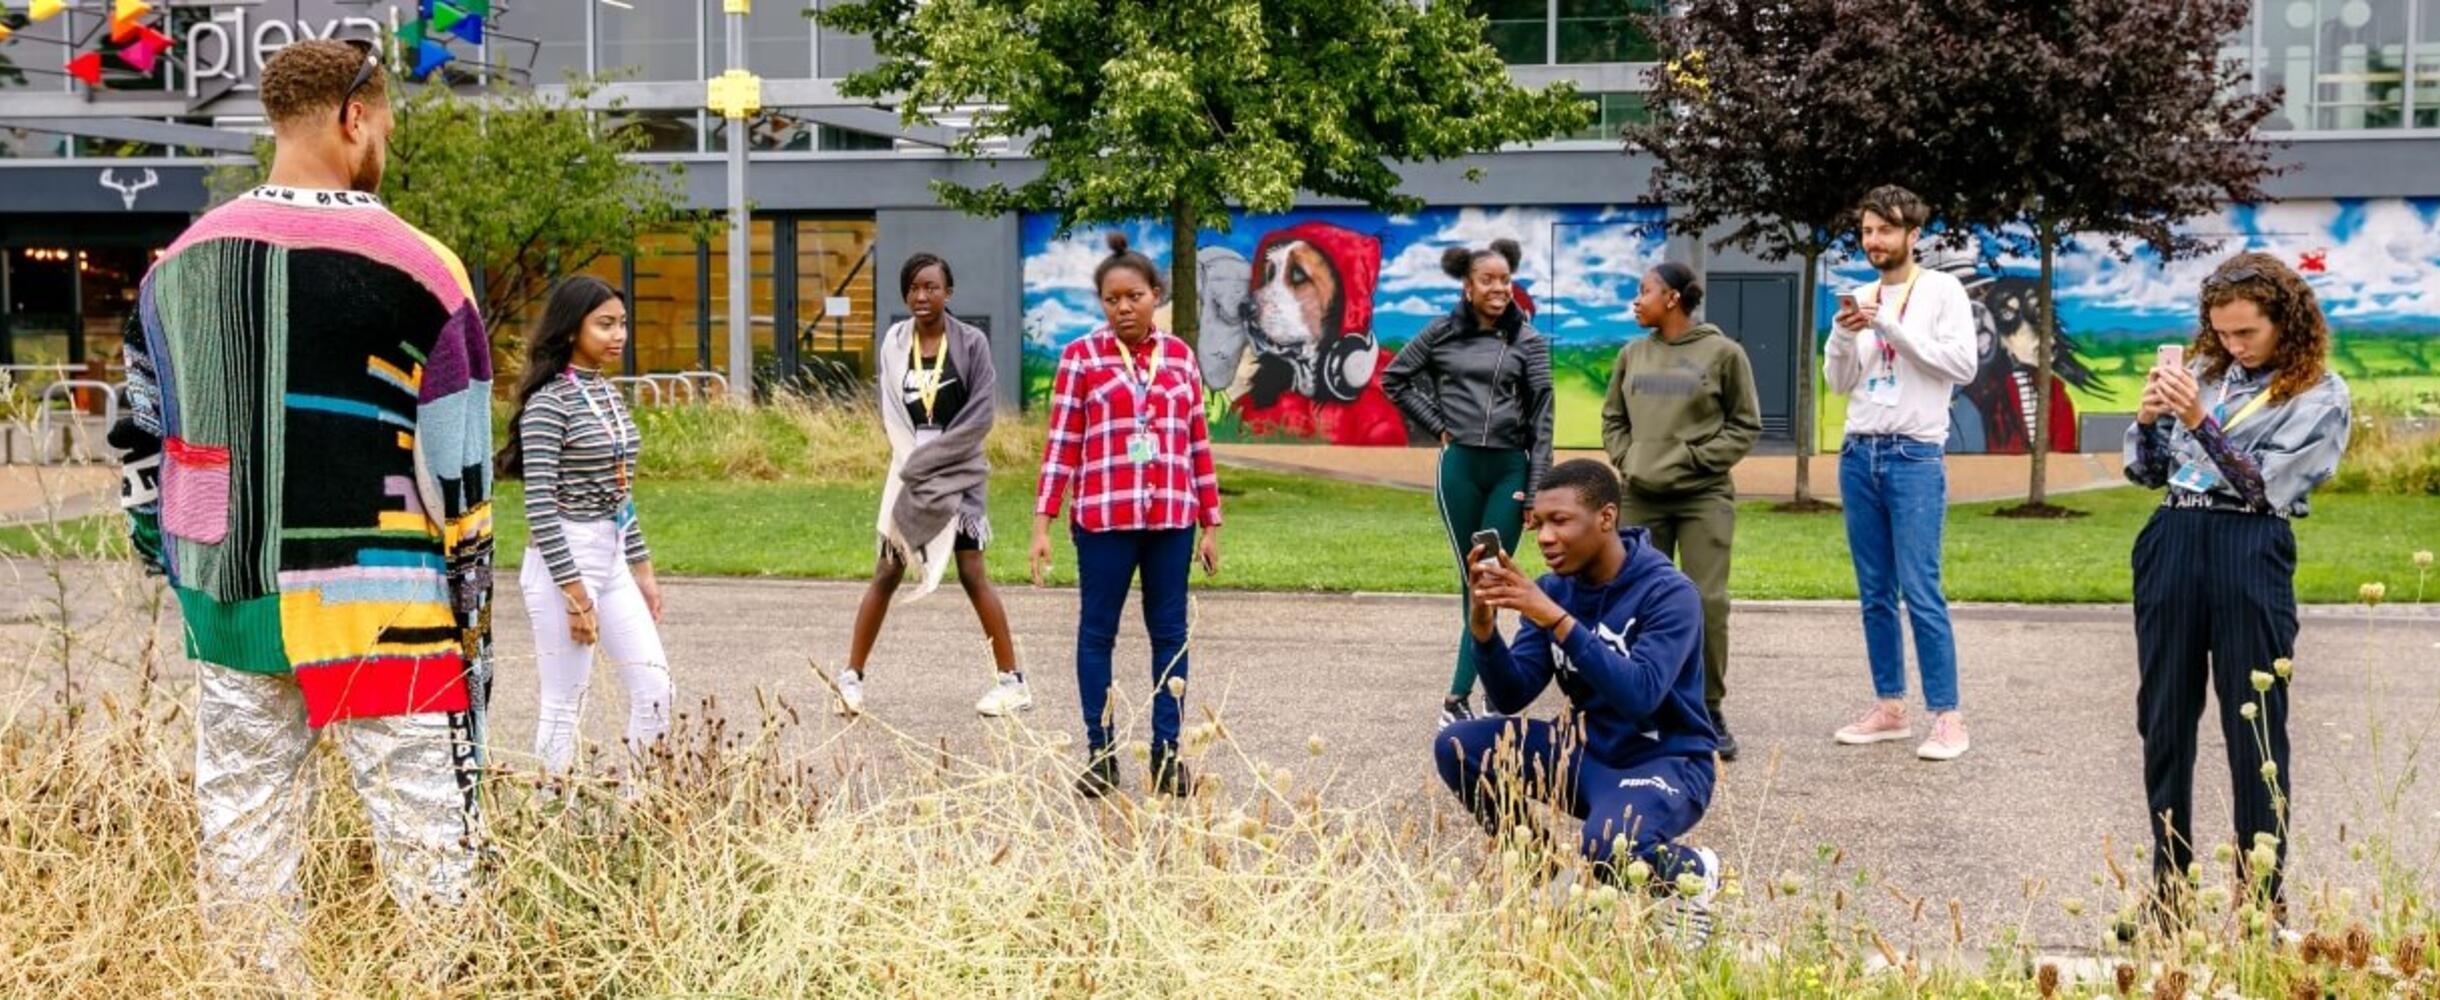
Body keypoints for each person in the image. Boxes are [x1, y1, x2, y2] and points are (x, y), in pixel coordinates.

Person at [107, 38, 494, 984]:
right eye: (387, 125)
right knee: (428, 845)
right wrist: (469, 611)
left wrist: (177, 558)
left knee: (242, 837)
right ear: (354, 117)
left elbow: (138, 439)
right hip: (383, 602)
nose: (386, 143)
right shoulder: (424, 268)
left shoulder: (178, 267)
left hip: (228, 593)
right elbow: (460, 467)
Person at [2123, 251, 2350, 918]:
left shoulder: (2318, 394)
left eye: (2247, 332)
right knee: (2162, 719)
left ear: (2286, 322)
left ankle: (2261, 900)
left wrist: (2198, 420)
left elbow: (2261, 487)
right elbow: (2149, 473)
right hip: (2172, 539)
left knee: (2253, 723)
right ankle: (2169, 891)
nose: (2233, 345)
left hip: (2249, 546)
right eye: (2221, 332)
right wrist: (2145, 422)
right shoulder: (2203, 376)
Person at [1434, 459, 1722, 945]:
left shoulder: (1669, 592)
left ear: (1606, 518)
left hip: (1666, 762)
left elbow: (1641, 694)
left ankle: (1696, 870)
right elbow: (1511, 695)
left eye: (1560, 521)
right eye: (1538, 523)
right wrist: (1483, 631)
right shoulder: (1554, 589)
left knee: (1606, 846)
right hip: (1587, 755)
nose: (1545, 536)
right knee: (1458, 745)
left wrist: (1558, 621)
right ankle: (1550, 879)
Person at [1032, 233, 1224, 798]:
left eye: (1134, 297)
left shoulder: (1180, 359)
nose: (1123, 308)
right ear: (1101, 303)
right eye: (1112, 299)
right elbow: (1062, 445)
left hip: (1170, 520)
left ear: (1155, 295)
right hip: (1103, 521)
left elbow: (1197, 443)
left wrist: (1210, 523)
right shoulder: (1081, 359)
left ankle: (1167, 754)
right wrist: (1042, 525)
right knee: (1097, 633)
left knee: (1170, 634)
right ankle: (1101, 751)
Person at [1823, 184, 1980, 762]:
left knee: (1921, 588)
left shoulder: (1942, 290)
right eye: (1866, 231)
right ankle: (1890, 707)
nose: (1874, 241)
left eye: (1885, 230)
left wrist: (1889, 326)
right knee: (1874, 593)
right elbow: (1839, 382)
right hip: (1859, 451)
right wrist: (1845, 333)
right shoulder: (1860, 294)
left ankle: (1947, 717)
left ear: (1913, 236)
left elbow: (1961, 364)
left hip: (1914, 454)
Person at [495, 276, 673, 778]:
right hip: (563, 559)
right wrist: (575, 595)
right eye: (605, 325)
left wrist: (642, 566)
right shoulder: (549, 402)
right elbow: (540, 507)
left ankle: (644, 807)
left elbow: (621, 490)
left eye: (622, 324)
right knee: (565, 699)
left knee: (656, 687)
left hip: (611, 553)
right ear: (572, 329)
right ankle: (551, 822)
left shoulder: (609, 395)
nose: (618, 335)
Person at [838, 253, 1028, 717]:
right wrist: (915, 465)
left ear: (948, 292)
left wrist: (936, 462)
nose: (922, 296)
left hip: (959, 472)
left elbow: (981, 415)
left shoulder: (971, 343)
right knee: (887, 570)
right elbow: (892, 413)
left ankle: (1012, 682)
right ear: (906, 294)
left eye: (932, 287)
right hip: (908, 470)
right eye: (914, 288)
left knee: (971, 572)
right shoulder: (894, 343)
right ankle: (851, 678)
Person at [1381, 238, 1555, 729]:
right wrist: (1437, 424)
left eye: (1505, 279)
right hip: (1458, 470)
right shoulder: (1440, 332)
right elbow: (1394, 379)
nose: (1500, 288)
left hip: (1510, 472)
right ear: (1468, 286)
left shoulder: (1530, 342)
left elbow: (1543, 419)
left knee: (1490, 580)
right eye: (1489, 280)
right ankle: (1473, 697)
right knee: (1472, 579)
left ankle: (1462, 696)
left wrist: (1537, 487)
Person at [1603, 262, 1762, 760]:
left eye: (1644, 291)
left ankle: (1708, 709)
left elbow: (1744, 425)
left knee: (1706, 600)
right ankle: (1634, 704)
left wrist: (1692, 459)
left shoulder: (1724, 353)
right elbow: (1613, 418)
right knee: (1629, 599)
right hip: (1640, 495)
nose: (1637, 299)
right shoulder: (1632, 354)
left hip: (1702, 496)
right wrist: (1629, 458)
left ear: (1671, 298)